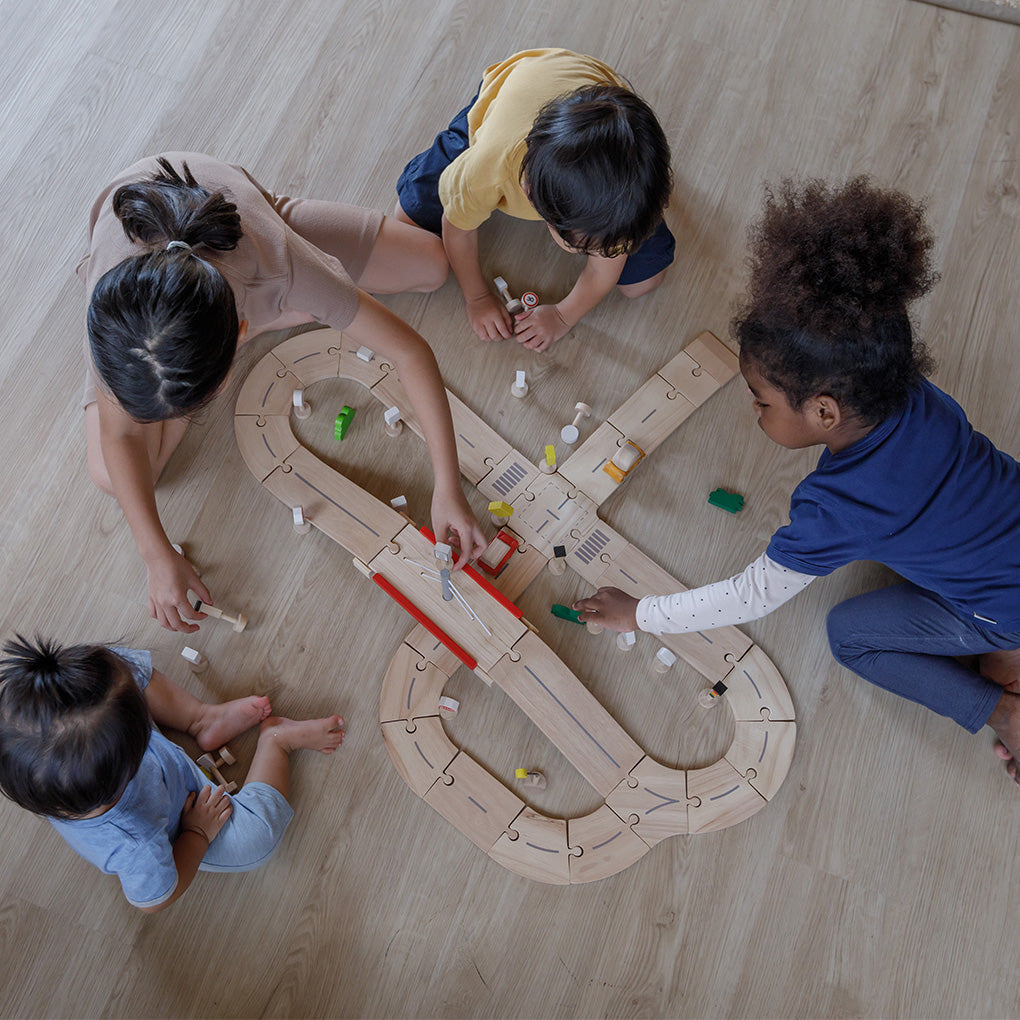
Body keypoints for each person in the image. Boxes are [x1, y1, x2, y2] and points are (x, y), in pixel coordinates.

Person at [573, 177, 1020, 784]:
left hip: (1005, 609)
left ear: (825, 411)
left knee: (851, 637)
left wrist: (641, 614)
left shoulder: (838, 508)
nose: (754, 412)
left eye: (761, 401)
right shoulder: (912, 393)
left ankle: (1005, 710)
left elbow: (751, 594)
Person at [80, 153, 488, 633]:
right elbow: (121, 435)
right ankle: (282, 315)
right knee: (112, 475)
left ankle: (277, 310)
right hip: (171, 276)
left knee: (431, 265)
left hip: (248, 223)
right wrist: (155, 555)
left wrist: (447, 484)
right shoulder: (116, 323)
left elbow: (411, 352)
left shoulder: (283, 265)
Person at [0, 635, 344, 912]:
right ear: (130, 762)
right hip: (187, 816)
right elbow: (159, 897)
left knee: (115, 666)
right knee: (256, 840)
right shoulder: (136, 844)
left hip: (124, 749)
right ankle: (276, 741)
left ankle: (201, 718)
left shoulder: (39, 758)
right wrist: (196, 833)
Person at [395, 48, 674, 351]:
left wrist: (563, 316)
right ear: (531, 196)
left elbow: (603, 268)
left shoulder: (620, 208)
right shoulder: (488, 169)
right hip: (509, 93)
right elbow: (457, 229)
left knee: (643, 282)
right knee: (407, 223)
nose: (599, 255)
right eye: (584, 248)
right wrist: (477, 297)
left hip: (601, 106)